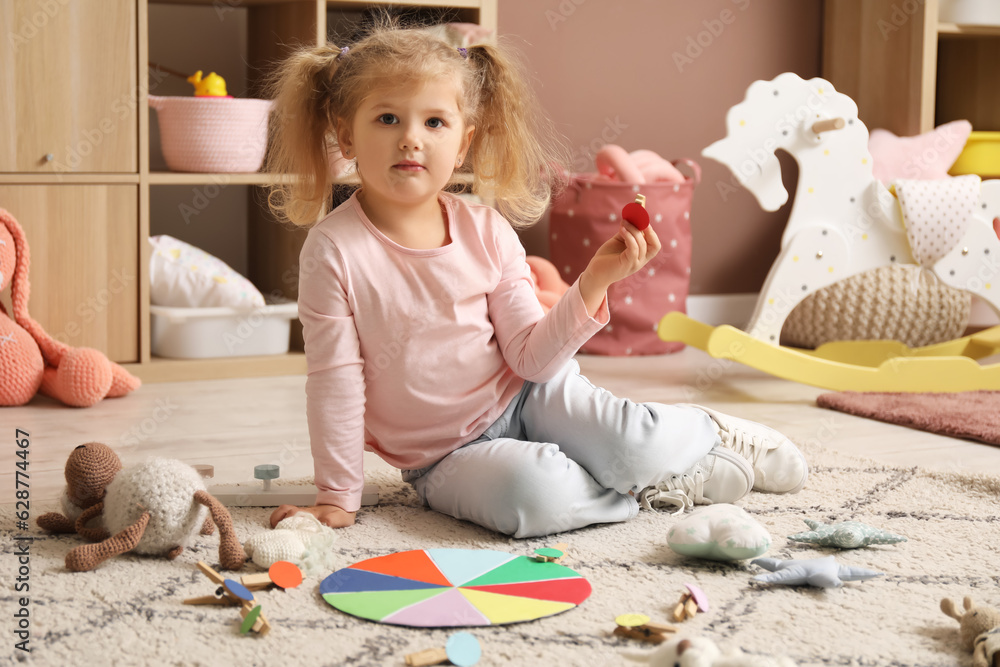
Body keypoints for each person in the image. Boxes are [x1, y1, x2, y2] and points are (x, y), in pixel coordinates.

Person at [265, 24, 808, 537]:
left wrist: (594, 281)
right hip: (441, 459)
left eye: (434, 123)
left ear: (463, 143)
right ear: (346, 135)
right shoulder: (333, 250)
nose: (412, 140)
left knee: (630, 441)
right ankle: (642, 484)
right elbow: (335, 383)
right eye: (387, 119)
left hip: (531, 395)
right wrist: (337, 497)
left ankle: (702, 434)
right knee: (532, 496)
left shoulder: (487, 229)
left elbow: (532, 360)